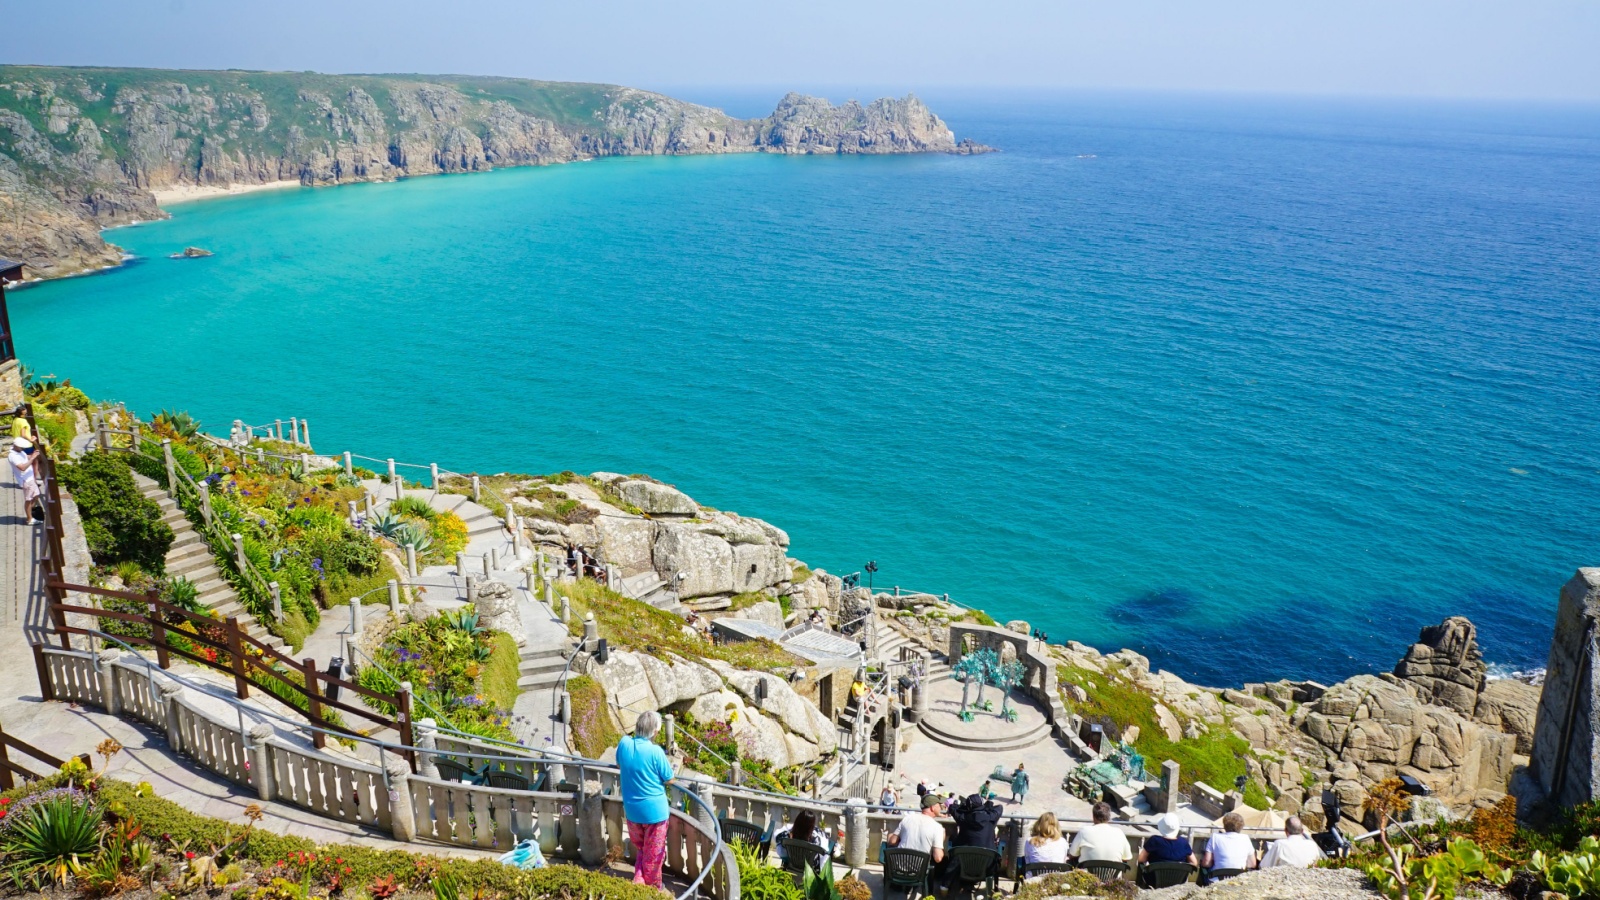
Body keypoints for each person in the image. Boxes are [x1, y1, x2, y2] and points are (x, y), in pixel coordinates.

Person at [616, 711, 677, 890]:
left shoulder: (624, 743)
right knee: (654, 853)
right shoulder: (656, 751)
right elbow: (669, 778)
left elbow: (620, 764)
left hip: (632, 811)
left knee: (642, 848)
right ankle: (653, 887)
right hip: (655, 813)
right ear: (655, 732)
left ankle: (639, 877)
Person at [887, 794, 947, 865]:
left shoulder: (907, 818)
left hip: (898, 867)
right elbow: (938, 858)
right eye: (939, 805)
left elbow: (892, 841)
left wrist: (889, 835)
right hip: (919, 872)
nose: (941, 808)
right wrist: (942, 838)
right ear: (932, 808)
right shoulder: (937, 828)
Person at [1201, 812, 1257, 884]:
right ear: (1241, 826)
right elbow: (1252, 864)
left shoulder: (1215, 837)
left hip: (1217, 879)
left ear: (1225, 825)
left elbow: (1206, 863)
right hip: (1239, 880)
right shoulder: (1245, 838)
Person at [8, 436, 41, 522]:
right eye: (21, 446)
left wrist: (34, 450)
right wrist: (33, 457)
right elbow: (22, 467)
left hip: (30, 478)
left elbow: (28, 458)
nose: (23, 448)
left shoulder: (20, 451)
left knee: (36, 495)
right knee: (28, 500)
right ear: (16, 445)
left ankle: (31, 511)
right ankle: (29, 519)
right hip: (25, 480)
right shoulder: (13, 456)